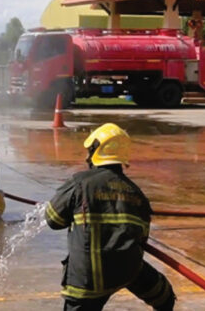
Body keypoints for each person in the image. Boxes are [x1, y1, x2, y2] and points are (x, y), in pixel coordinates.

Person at [45, 123, 175, 311]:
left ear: (96, 152)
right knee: (165, 296)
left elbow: (53, 220)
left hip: (88, 280)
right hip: (128, 271)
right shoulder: (137, 194)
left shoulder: (81, 183)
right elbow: (142, 238)